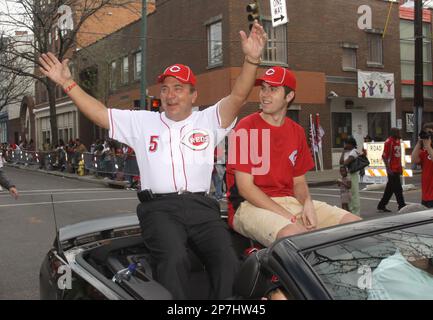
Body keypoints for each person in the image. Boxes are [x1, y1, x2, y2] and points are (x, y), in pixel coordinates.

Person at [39, 20, 267, 299]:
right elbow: (99, 113)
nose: (170, 95)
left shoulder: (208, 119)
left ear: (194, 94)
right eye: (165, 88)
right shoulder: (142, 122)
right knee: (173, 259)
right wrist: (67, 82)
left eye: (179, 88)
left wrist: (252, 59)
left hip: (201, 207)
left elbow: (239, 94)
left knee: (227, 258)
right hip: (159, 209)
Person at [226, 66, 361, 248]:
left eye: (273, 89)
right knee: (296, 237)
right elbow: (246, 189)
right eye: (263, 88)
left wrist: (307, 204)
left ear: (289, 97)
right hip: (249, 206)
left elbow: (298, 182)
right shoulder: (246, 128)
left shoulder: (296, 131)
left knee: (357, 226)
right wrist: (289, 217)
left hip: (290, 202)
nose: (265, 94)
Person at [377, 128, 407, 212]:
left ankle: (381, 205)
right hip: (392, 169)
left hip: (397, 168)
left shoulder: (397, 141)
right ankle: (401, 205)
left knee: (389, 189)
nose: (399, 133)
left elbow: (398, 156)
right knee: (398, 188)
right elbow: (384, 156)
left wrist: (400, 167)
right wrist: (388, 168)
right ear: (394, 133)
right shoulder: (389, 142)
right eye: (398, 132)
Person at [411, 122, 433, 208]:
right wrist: (419, 143)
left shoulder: (428, 149)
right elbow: (414, 160)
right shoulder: (425, 151)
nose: (428, 137)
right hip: (426, 195)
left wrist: (428, 147)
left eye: (430, 134)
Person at [339, 137, 361, 215]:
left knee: (353, 193)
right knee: (349, 193)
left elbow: (345, 163)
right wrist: (343, 151)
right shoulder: (347, 152)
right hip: (348, 175)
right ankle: (350, 210)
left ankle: (355, 211)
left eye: (346, 143)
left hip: (352, 174)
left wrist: (345, 156)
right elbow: (341, 162)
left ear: (351, 144)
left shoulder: (354, 152)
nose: (345, 145)